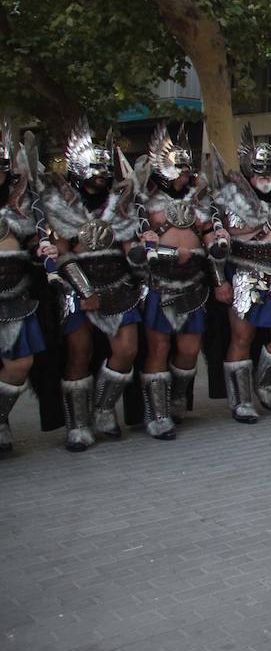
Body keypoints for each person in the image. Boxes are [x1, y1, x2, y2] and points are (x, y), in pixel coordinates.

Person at [41, 120, 145, 450]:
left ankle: (102, 408)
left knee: (126, 350)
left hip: (117, 283)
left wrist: (142, 256)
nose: (101, 174)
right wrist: (84, 290)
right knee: (79, 353)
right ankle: (78, 424)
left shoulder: (120, 200)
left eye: (104, 169)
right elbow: (60, 252)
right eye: (95, 168)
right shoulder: (59, 203)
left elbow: (129, 243)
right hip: (77, 286)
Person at [213, 129, 271, 424]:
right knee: (242, 336)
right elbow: (218, 238)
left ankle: (263, 382)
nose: (263, 176)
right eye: (258, 171)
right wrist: (220, 280)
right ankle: (240, 401)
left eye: (268, 170)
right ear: (248, 171)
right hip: (246, 271)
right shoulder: (233, 196)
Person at [135, 124, 220, 439]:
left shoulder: (199, 200)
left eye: (188, 168)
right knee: (158, 347)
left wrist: (216, 243)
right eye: (181, 169)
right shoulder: (145, 201)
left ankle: (176, 398)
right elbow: (135, 238)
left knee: (189, 348)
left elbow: (210, 234)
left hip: (193, 283)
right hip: (159, 282)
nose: (187, 174)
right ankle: (156, 414)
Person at [0, 124, 46, 454]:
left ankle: (0, 419)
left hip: (15, 294)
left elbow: (34, 239)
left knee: (19, 364)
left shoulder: (22, 202)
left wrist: (43, 248)